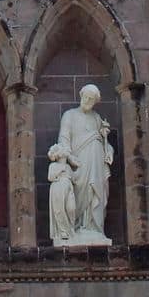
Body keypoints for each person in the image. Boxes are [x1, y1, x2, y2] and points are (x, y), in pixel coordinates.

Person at [56, 84, 112, 244]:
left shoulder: (97, 118)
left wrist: (108, 150)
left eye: (91, 99)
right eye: (86, 97)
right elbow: (64, 140)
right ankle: (78, 226)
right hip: (79, 164)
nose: (87, 101)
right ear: (81, 95)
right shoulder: (69, 115)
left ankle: (94, 228)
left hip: (96, 164)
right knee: (80, 193)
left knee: (97, 192)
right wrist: (69, 158)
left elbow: (104, 144)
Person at [47, 142, 79, 245]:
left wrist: (80, 167)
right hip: (58, 187)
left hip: (68, 188)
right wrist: (61, 169)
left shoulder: (68, 167)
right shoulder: (53, 165)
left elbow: (75, 179)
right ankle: (63, 232)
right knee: (59, 209)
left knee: (71, 208)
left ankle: (71, 228)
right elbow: (50, 177)